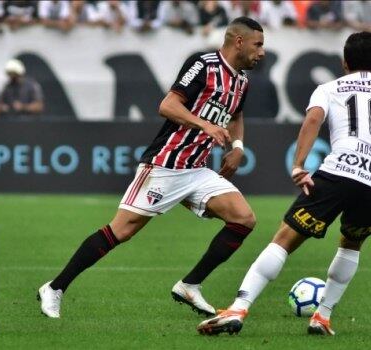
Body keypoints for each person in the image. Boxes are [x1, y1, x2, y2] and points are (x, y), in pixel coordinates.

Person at [197, 31, 371, 336]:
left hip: (340, 173)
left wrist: (299, 165)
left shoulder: (329, 88)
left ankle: (238, 308)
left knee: (284, 240)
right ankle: (322, 316)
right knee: (351, 244)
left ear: (344, 62)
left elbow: (312, 120)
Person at [37, 16, 265, 319]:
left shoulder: (242, 81)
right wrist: (206, 126)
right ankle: (55, 287)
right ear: (239, 41)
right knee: (121, 230)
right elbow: (167, 105)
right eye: (258, 44)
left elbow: (235, 116)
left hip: (196, 170)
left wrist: (237, 147)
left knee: (244, 218)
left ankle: (190, 285)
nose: (262, 52)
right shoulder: (204, 65)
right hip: (165, 164)